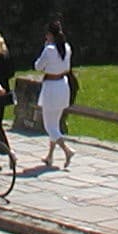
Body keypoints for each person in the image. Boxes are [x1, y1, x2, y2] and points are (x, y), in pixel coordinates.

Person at [34, 20, 77, 168]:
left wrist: (45, 49)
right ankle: (50, 156)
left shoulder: (49, 49)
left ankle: (67, 150)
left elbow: (38, 66)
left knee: (49, 126)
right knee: (55, 123)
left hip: (51, 87)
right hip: (62, 85)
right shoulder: (66, 47)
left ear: (50, 35)